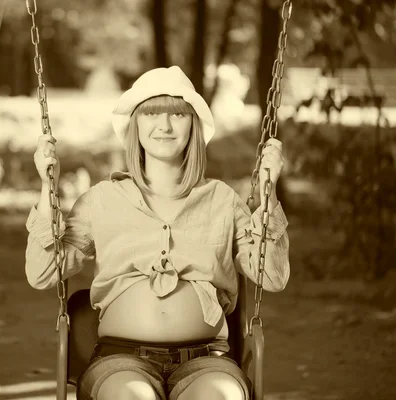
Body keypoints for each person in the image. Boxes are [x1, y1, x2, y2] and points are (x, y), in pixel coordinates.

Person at [25, 66, 290, 400]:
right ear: (135, 126)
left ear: (193, 126)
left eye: (177, 114)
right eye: (151, 114)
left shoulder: (222, 200)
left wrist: (269, 194)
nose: (164, 126)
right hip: (120, 361)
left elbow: (273, 276)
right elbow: (43, 273)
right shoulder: (102, 200)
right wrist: (45, 188)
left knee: (220, 397)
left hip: (208, 360)